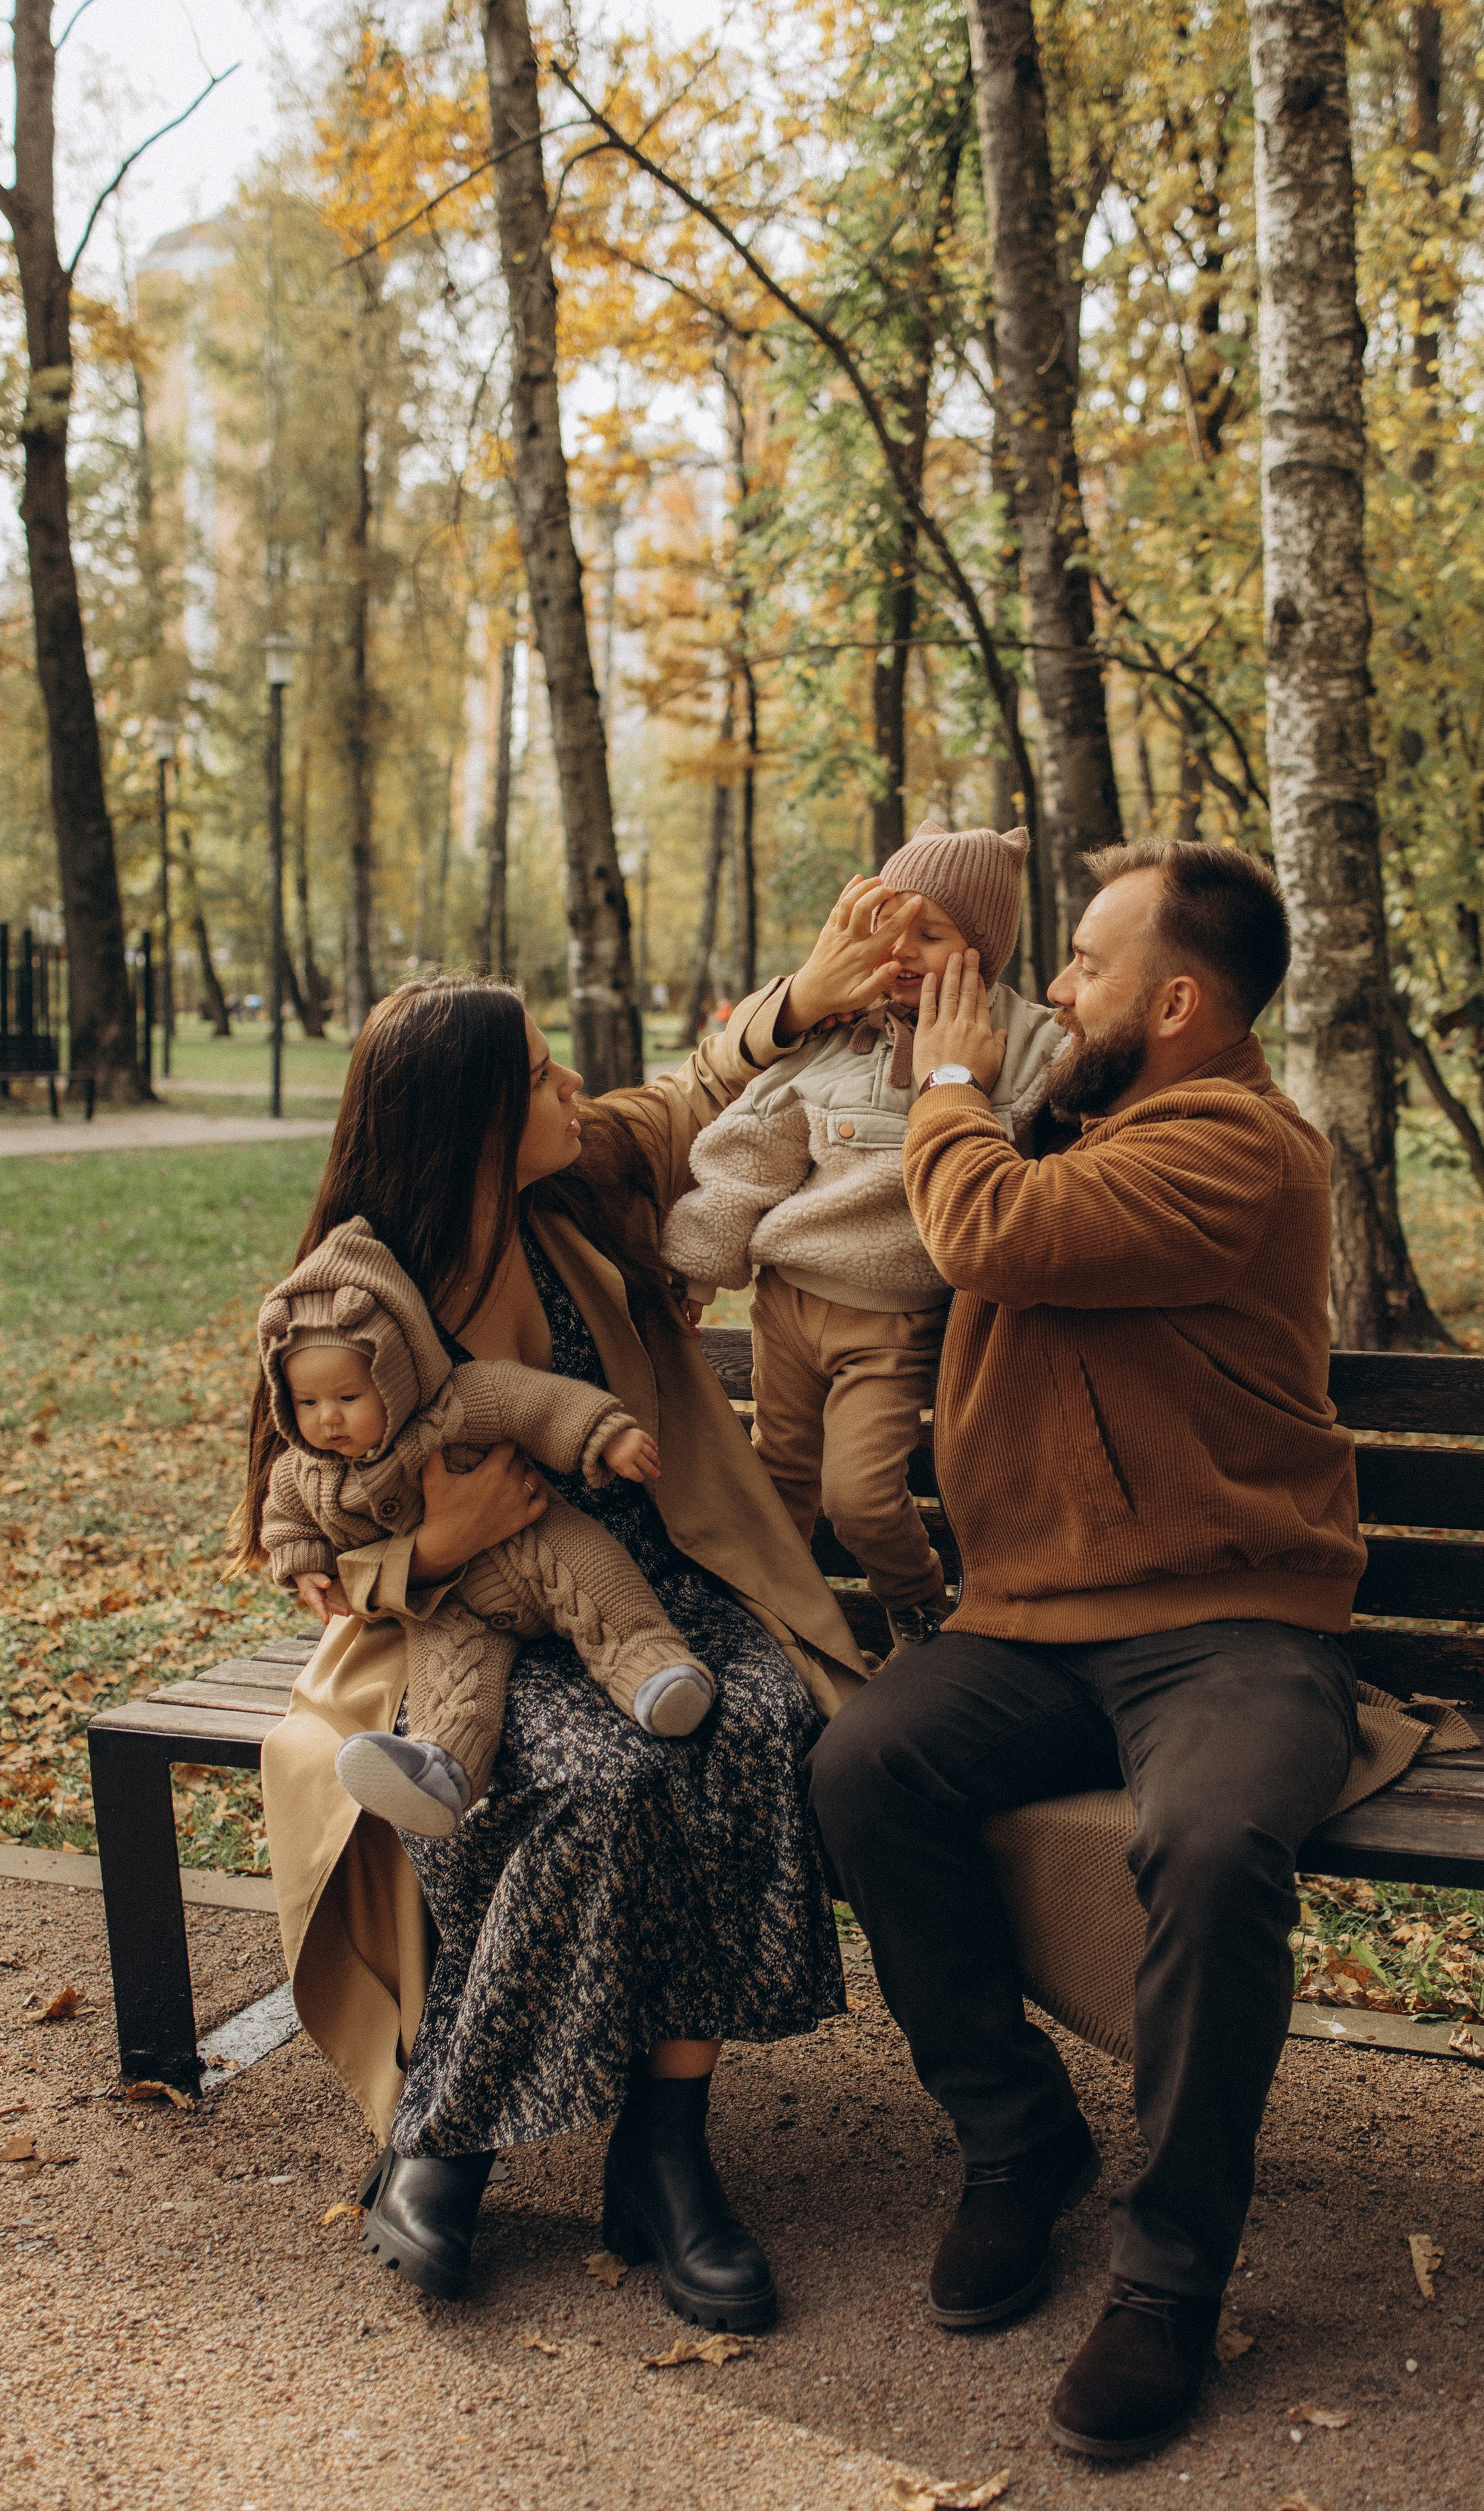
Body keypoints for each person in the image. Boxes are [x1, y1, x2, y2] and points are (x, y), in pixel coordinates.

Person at [259, 877, 919, 2328]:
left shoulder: (569, 1188)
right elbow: (293, 1520)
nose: (572, 1086)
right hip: (465, 1635)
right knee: (598, 1788)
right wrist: (433, 1552)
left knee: (744, 1729)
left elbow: (685, 1098)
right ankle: (457, 2132)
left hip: (665, 1586)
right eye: (543, 1074)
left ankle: (657, 2155)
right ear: (476, 1125)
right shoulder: (357, 1299)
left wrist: (804, 1000)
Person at [809, 839, 1367, 2461]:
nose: (1053, 985)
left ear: (1176, 1004)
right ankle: (1012, 2137)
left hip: (1234, 1623)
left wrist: (963, 1077)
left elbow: (990, 1228)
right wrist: (889, 1007)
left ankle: (1167, 2272)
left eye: (1085, 963)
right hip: (1034, 1622)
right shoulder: (1098, 1109)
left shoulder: (1240, 1149)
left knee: (1205, 1843)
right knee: (861, 1762)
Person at [661, 823, 1063, 1650]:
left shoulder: (1026, 1046)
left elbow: (1074, 1134)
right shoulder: (837, 1032)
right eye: (891, 925)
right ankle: (778, 1635)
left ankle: (917, 1608)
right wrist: (694, 1271)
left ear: (983, 951)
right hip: (788, 1308)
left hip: (895, 1322)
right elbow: (747, 1159)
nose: (903, 950)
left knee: (862, 1500)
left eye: (932, 933)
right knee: (776, 1487)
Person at [249, 1213, 718, 1840]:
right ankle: (441, 1770)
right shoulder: (305, 1471)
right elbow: (285, 1517)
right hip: (448, 1603)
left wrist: (606, 1434)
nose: (327, 1419)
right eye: (308, 1404)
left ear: (396, 1374)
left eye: (348, 1398)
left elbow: (538, 1401)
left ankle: (653, 1668)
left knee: (597, 1582)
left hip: (532, 1544)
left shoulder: (458, 1402)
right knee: (449, 1675)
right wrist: (301, 1559)